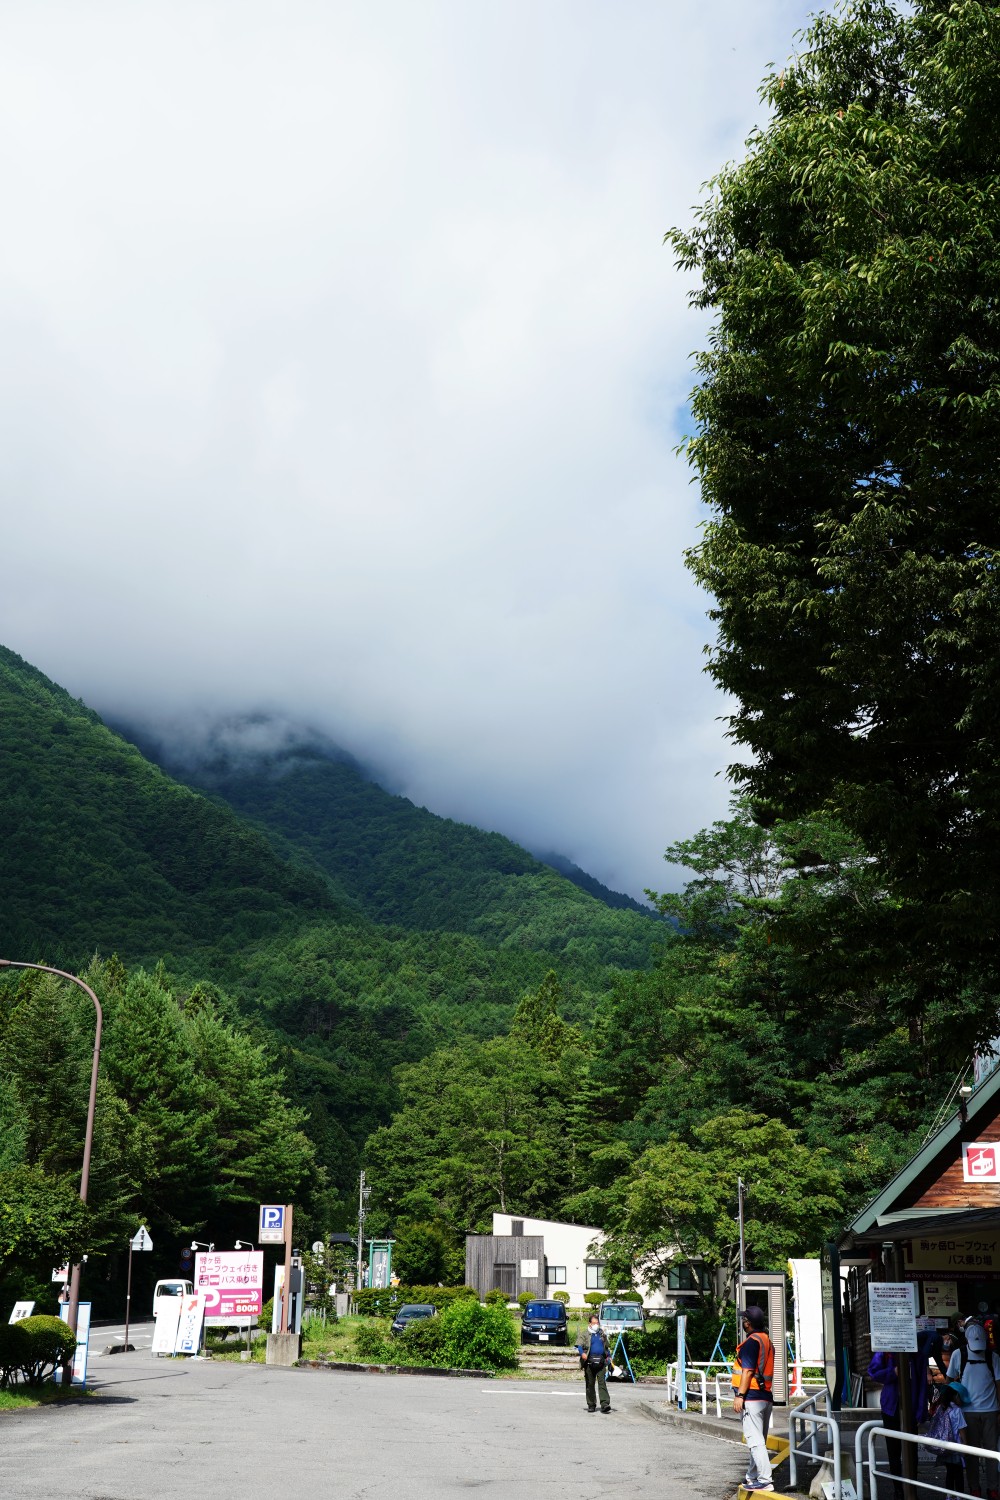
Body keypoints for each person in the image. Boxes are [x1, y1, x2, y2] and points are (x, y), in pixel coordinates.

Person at [946, 1319, 1000, 1498]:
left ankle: (993, 1489)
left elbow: (999, 1385)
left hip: (991, 1411)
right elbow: (949, 1382)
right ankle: (974, 1488)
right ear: (967, 1340)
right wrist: (954, 1398)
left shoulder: (993, 1357)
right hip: (967, 1412)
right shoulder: (958, 1354)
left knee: (993, 1453)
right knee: (971, 1453)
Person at [732, 1306, 775, 1493]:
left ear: (748, 1323)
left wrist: (740, 1395)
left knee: (755, 1441)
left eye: (744, 1320)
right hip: (765, 1396)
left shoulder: (751, 1342)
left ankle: (765, 1480)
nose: (743, 1322)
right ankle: (752, 1477)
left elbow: (748, 1371)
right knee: (758, 1441)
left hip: (751, 1397)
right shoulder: (766, 1340)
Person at [923, 1384, 966, 1500]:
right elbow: (962, 1431)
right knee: (958, 1474)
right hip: (956, 1447)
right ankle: (959, 1496)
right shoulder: (957, 1411)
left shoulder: (941, 1409)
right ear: (955, 1396)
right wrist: (966, 1445)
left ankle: (948, 1495)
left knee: (950, 1473)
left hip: (945, 1446)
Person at [577, 1313, 612, 1414]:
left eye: (597, 1323)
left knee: (602, 1382)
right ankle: (591, 1404)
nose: (596, 1325)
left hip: (601, 1362)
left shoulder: (602, 1334)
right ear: (590, 1324)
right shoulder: (585, 1334)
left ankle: (605, 1404)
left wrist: (609, 1356)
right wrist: (582, 1353)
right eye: (594, 1323)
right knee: (590, 1384)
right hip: (589, 1362)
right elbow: (579, 1346)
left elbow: (606, 1347)